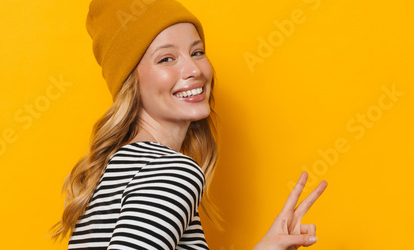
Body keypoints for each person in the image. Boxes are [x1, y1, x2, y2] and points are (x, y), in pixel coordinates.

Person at [52, 0, 329, 249]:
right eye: (166, 58)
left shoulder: (114, 168)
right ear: (129, 80)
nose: (194, 70)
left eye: (197, 52)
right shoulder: (171, 171)